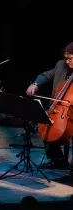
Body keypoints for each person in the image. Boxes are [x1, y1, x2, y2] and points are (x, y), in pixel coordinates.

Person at [26, 41, 73, 171]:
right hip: (60, 110)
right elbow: (46, 75)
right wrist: (35, 84)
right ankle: (56, 159)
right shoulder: (60, 65)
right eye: (66, 59)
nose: (67, 62)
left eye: (70, 59)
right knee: (45, 125)